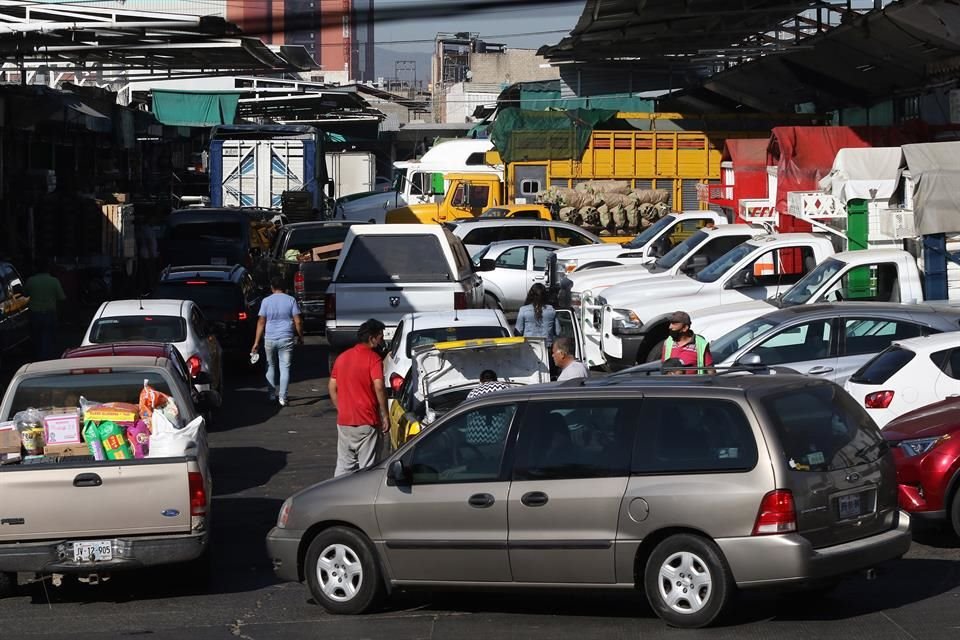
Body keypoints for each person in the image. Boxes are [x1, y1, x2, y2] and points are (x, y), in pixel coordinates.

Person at [329, 319, 389, 476]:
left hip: (344, 421)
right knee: (368, 469)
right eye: (380, 337)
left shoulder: (342, 358)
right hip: (367, 419)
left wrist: (341, 408)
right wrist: (385, 414)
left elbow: (332, 387)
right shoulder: (373, 359)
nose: (382, 340)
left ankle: (337, 490)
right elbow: (379, 386)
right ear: (372, 338)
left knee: (344, 465)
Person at [251, 276, 303, 406]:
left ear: (272, 287)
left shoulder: (266, 301)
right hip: (286, 337)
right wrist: (300, 336)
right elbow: (298, 321)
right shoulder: (291, 300)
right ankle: (282, 397)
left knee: (270, 366)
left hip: (269, 338)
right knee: (284, 368)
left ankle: (271, 394)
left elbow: (261, 322)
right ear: (284, 287)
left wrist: (256, 342)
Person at [24, 257, 66, 361]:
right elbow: (62, 298)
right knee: (49, 338)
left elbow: (25, 295)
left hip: (35, 314)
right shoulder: (54, 281)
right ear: (48, 268)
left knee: (36, 338)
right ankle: (46, 358)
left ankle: (39, 358)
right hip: (50, 313)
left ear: (35, 268)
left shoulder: (30, 281)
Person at [516, 283, 559, 348]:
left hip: (529, 347)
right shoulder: (551, 310)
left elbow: (518, 331)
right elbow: (558, 332)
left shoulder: (523, 310)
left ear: (530, 295)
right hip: (547, 347)